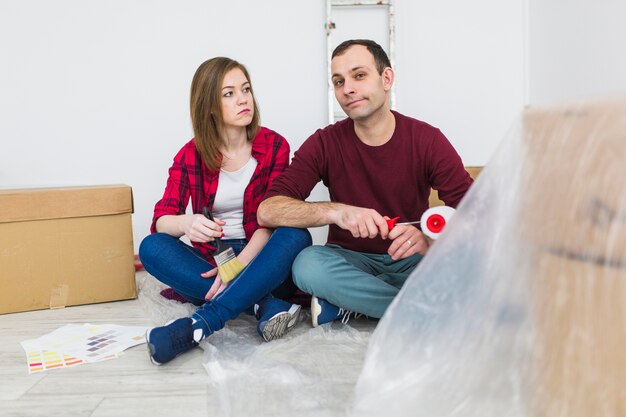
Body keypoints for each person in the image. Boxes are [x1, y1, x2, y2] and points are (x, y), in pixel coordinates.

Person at [257, 39, 473, 327]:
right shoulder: (324, 142)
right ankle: (419, 311)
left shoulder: (426, 140)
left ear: (386, 78)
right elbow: (268, 210)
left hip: (412, 262)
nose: (348, 88)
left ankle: (353, 304)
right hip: (348, 261)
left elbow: (477, 213)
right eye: (338, 81)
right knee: (307, 264)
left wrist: (429, 241)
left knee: (469, 269)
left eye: (359, 75)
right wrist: (337, 212)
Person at [139, 57, 311, 365]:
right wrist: (186, 222)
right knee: (151, 247)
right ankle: (261, 305)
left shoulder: (274, 146)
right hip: (213, 260)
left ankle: (201, 323)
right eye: (228, 93)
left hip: (261, 255)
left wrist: (238, 267)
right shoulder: (190, 154)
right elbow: (162, 220)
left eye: (245, 89)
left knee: (296, 233)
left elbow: (271, 219)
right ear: (209, 106)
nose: (243, 98)